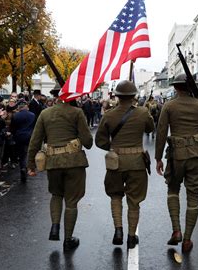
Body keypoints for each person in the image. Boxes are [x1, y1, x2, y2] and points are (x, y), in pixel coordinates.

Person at [155, 73, 198, 253]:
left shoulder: (169, 105)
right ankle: (188, 239)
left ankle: (176, 230)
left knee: (173, 190)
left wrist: (158, 158)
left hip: (175, 157)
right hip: (197, 157)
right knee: (193, 196)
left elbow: (161, 133)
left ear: (175, 87)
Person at [27, 84, 93, 251]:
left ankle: (55, 226)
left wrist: (30, 165)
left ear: (55, 95)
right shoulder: (77, 112)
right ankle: (68, 238)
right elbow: (88, 142)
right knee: (71, 201)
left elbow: (35, 141)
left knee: (56, 195)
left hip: (53, 162)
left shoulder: (45, 113)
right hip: (74, 163)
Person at [95, 81, 154, 249]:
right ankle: (131, 236)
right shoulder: (143, 112)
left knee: (115, 196)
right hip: (137, 162)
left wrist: (113, 148)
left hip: (116, 162)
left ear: (117, 96)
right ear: (134, 95)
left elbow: (100, 141)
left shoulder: (108, 115)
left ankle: (118, 230)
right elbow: (150, 129)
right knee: (134, 201)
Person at [10, 99, 35, 182]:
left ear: (19, 107)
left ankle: (23, 167)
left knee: (21, 155)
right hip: (30, 136)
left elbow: (12, 128)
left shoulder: (15, 115)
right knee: (28, 153)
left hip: (19, 137)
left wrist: (13, 135)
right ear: (26, 106)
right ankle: (26, 167)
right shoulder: (32, 115)